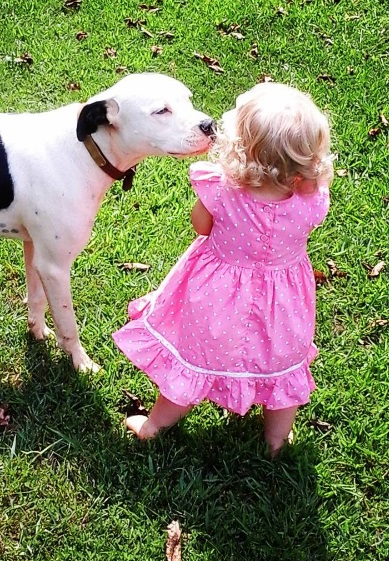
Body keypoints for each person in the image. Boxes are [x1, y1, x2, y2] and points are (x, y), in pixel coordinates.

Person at [112, 82, 334, 456]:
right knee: (279, 364)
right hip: (282, 303)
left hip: (218, 297)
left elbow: (201, 226)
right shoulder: (312, 202)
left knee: (196, 359)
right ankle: (276, 441)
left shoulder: (221, 189)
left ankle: (155, 425)